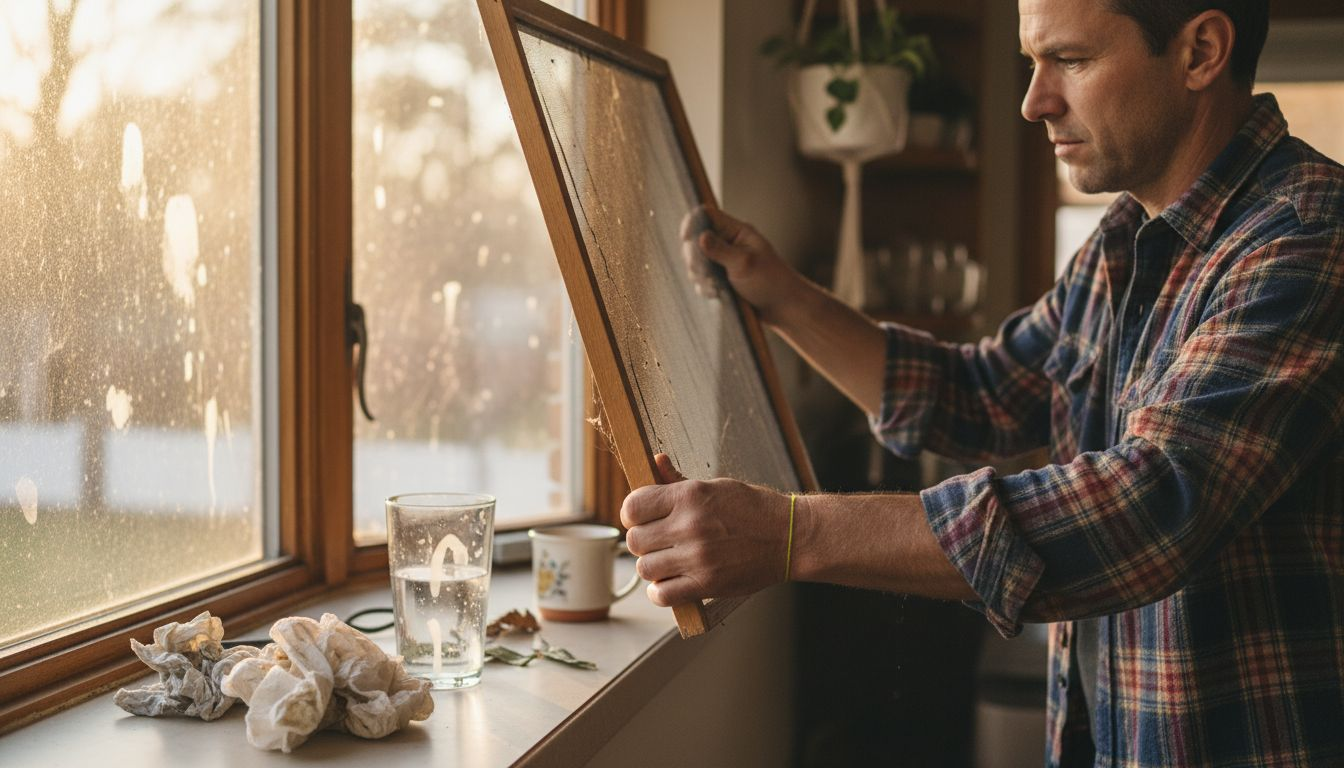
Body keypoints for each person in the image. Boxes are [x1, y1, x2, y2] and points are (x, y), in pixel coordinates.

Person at [620, 0, 1344, 764]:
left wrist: (790, 534)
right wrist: (782, 296)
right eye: (1034, 63)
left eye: (1071, 60)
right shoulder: (1124, 242)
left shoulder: (1310, 236)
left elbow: (1150, 506)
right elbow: (980, 393)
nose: (1034, 101)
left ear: (1200, 51)